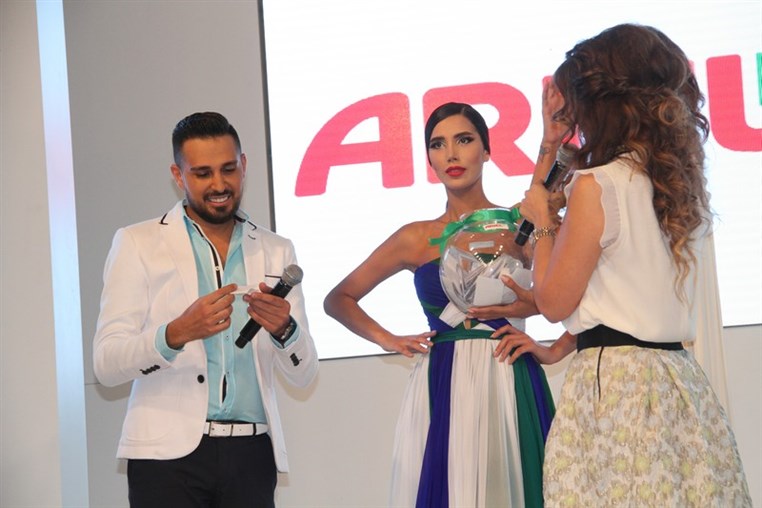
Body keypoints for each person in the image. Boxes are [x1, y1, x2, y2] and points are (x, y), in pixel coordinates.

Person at [497, 24, 751, 506]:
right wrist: (551, 152)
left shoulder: (599, 185)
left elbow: (554, 302)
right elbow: (623, 290)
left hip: (616, 390)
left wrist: (545, 223)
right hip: (677, 384)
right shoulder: (672, 183)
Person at [324, 102, 556, 508]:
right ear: (429, 159)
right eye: (438, 144)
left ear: (487, 150)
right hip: (442, 379)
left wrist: (549, 140)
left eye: (464, 140)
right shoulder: (415, 237)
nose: (451, 153)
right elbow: (338, 299)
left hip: (507, 372)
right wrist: (388, 339)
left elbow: (545, 200)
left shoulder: (517, 223)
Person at [93, 112, 318, 508]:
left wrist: (285, 329)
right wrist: (176, 333)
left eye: (228, 169)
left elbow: (304, 374)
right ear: (178, 175)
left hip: (252, 454)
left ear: (244, 165)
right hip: (165, 459)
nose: (219, 184)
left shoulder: (277, 249)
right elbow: (106, 364)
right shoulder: (137, 243)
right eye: (202, 173)